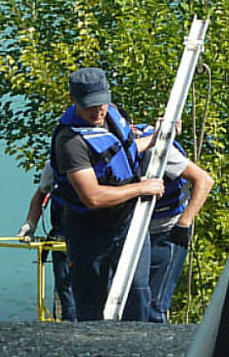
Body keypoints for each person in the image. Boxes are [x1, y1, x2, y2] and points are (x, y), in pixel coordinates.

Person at [50, 67, 164, 321]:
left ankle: (139, 344)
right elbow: (93, 197)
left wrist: (157, 137)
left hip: (126, 222)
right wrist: (141, 188)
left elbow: (124, 151)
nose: (98, 111)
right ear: (73, 101)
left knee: (138, 291)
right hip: (89, 231)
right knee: (91, 300)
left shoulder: (111, 117)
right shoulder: (70, 142)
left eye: (101, 103)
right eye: (90, 106)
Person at [141, 133, 215, 323]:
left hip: (167, 232)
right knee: (135, 300)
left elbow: (205, 181)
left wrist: (184, 224)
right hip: (137, 234)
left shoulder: (156, 151)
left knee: (154, 303)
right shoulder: (102, 152)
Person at [17, 160, 75, 321]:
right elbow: (41, 193)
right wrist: (31, 223)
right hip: (61, 239)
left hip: (98, 239)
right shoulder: (54, 164)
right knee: (65, 291)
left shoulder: (109, 157)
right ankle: (66, 328)